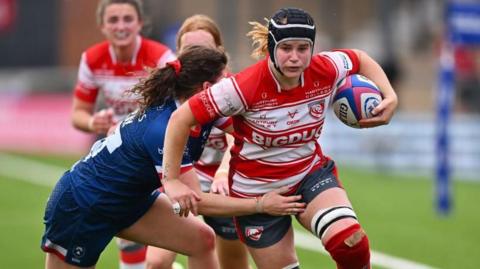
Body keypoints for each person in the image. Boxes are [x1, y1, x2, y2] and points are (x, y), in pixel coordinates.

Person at [161, 7, 398, 269]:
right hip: (256, 192)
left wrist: (390, 96)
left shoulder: (326, 68)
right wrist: (170, 180)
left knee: (350, 242)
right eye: (286, 48)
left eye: (302, 48)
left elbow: (360, 58)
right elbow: (180, 118)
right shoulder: (242, 87)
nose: (295, 58)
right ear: (272, 47)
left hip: (308, 174)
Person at [41, 46, 305, 269]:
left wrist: (296, 119)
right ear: (206, 87)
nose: (230, 84)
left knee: (201, 239)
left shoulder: (202, 107)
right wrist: (260, 204)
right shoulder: (165, 128)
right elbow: (197, 203)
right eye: (225, 79)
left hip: (130, 201)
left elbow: (254, 133)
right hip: (84, 205)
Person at [70, 1, 176, 268]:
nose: (121, 26)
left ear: (140, 23)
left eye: (127, 19)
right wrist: (95, 121)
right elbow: (78, 115)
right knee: (126, 235)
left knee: (162, 234)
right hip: (117, 155)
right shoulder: (92, 58)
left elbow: (177, 111)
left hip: (155, 152)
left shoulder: (161, 58)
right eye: (114, 20)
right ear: (103, 26)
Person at [146, 15, 251, 269]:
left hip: (224, 184)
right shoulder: (171, 91)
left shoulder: (232, 90)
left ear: (219, 52)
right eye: (190, 50)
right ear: (178, 53)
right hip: (181, 178)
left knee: (233, 264)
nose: (198, 55)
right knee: (156, 262)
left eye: (204, 49)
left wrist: (224, 173)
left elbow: (237, 135)